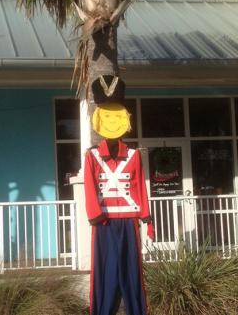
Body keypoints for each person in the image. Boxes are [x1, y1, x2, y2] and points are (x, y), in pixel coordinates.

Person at [84, 76, 155, 315]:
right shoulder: (91, 155)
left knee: (131, 271)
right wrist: (95, 215)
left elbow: (139, 186)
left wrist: (147, 217)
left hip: (128, 221)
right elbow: (90, 187)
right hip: (103, 222)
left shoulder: (134, 155)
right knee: (104, 271)